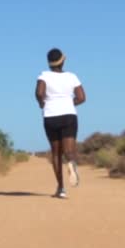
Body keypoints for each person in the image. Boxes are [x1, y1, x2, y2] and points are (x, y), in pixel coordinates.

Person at [35, 48, 86, 199]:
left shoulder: (43, 76)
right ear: (63, 60)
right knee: (69, 150)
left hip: (51, 116)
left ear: (49, 63)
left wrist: (41, 103)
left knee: (56, 153)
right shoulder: (71, 77)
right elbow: (82, 97)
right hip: (69, 115)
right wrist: (69, 103)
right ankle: (71, 161)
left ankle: (61, 188)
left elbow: (39, 93)